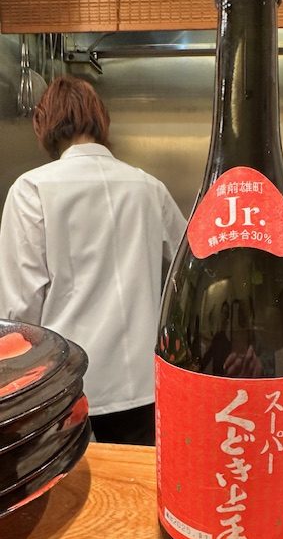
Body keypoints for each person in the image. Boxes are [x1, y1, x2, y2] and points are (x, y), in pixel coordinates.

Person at [0, 75, 186, 445]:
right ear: (101, 120)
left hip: (67, 381)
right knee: (138, 475)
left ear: (43, 123)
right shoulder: (149, 187)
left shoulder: (32, 188)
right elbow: (189, 270)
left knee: (78, 478)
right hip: (144, 381)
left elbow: (20, 308)